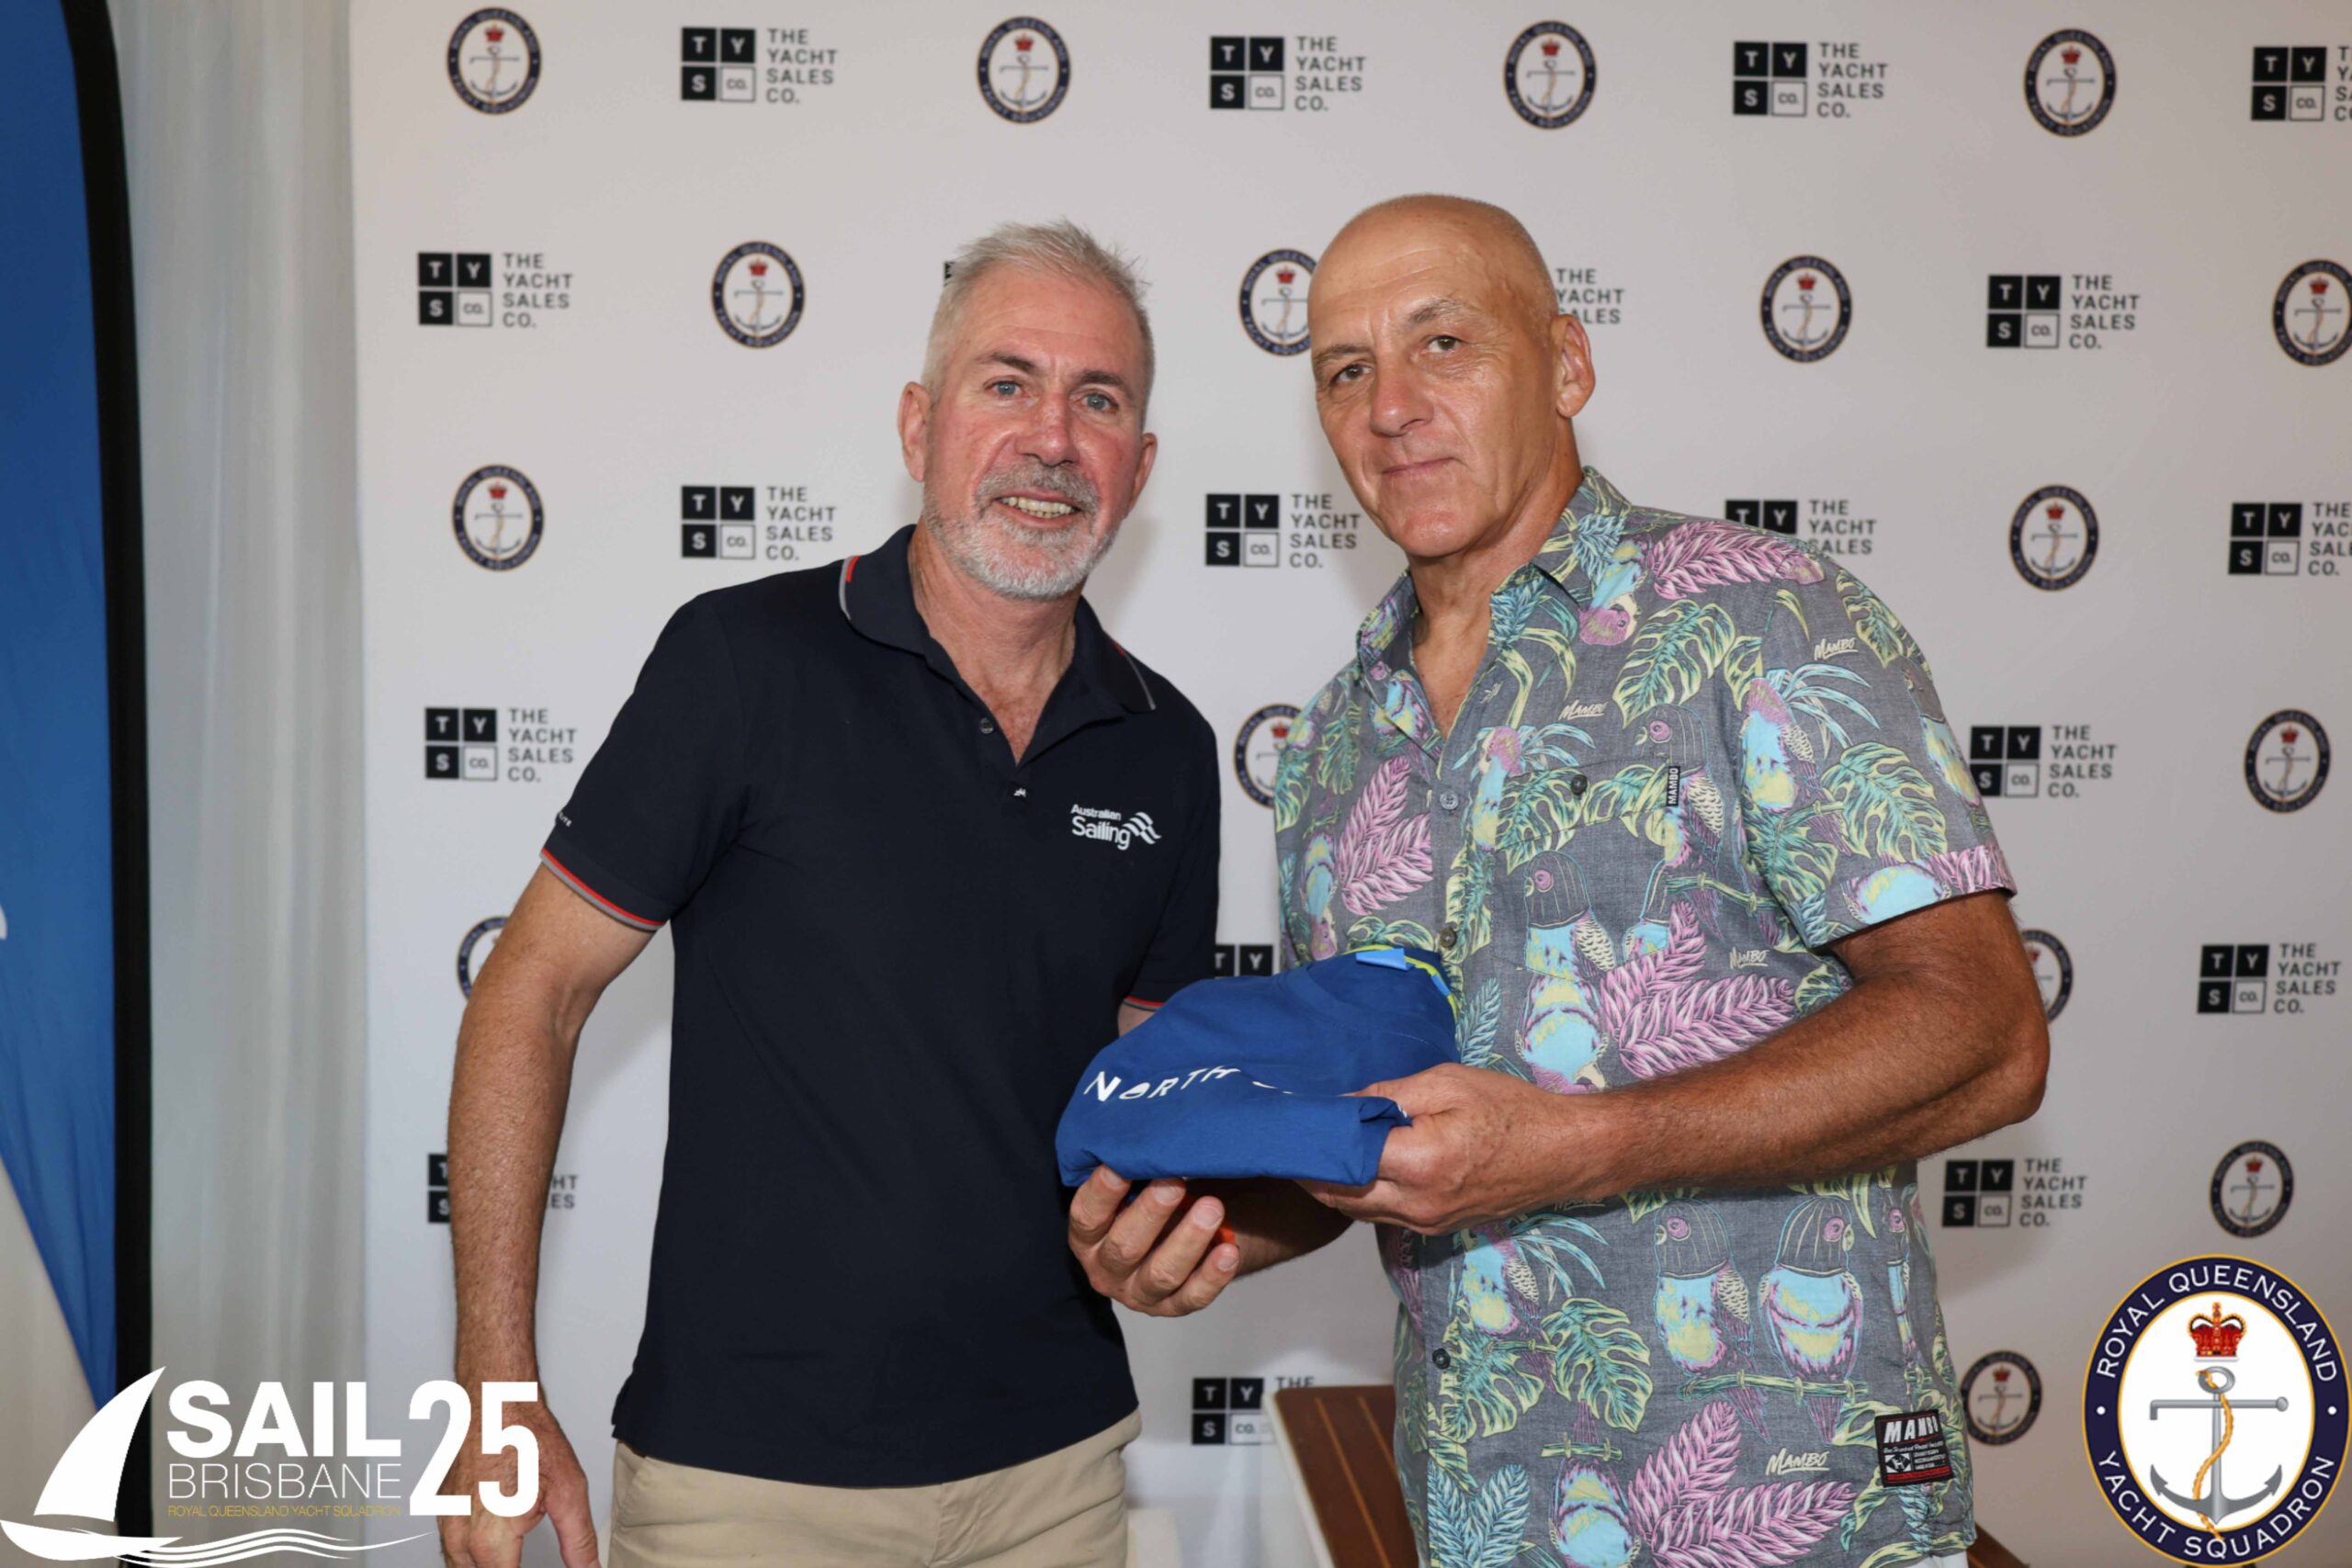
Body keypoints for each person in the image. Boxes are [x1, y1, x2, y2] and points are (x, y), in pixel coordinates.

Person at [1082, 194, 2050, 1568]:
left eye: (1444, 344)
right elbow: (1386, 1127)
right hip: (1482, 1516)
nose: (1391, 406)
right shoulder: (1338, 741)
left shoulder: (1760, 617)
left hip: (1793, 1518)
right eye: (1345, 369)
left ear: (1568, 365)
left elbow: (1987, 1035)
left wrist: (1581, 1145)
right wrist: (1214, 1227)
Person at [439, 220, 1224, 1568]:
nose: (1051, 437)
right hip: (745, 1491)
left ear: (1139, 467)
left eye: (1098, 401)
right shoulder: (745, 663)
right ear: (920, 426)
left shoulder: (1170, 745)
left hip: (1058, 1482)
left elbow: (1152, 1103)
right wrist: (496, 1396)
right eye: (1007, 382)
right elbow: (533, 993)